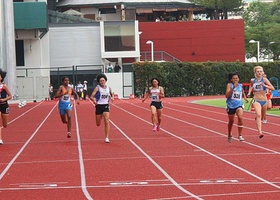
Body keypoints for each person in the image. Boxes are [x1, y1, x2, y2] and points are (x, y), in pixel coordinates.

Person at [247, 66, 274, 138]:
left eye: (260, 71)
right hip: (256, 99)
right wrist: (249, 93)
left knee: (262, 117)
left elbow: (272, 88)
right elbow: (251, 86)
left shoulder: (265, 80)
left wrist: (265, 85)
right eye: (258, 71)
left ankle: (259, 119)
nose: (259, 73)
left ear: (262, 72)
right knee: (258, 115)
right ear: (255, 73)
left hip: (264, 100)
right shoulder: (253, 80)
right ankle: (260, 132)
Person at [90, 74, 114, 143]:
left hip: (106, 105)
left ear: (105, 81)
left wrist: (112, 98)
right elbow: (91, 96)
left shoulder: (108, 88)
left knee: (106, 121)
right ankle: (99, 118)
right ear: (99, 82)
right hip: (99, 106)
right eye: (100, 81)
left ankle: (106, 137)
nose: (102, 82)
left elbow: (111, 94)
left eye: (103, 80)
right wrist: (94, 101)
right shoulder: (97, 88)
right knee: (98, 123)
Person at [225, 72, 248, 143]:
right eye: (234, 78)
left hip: (239, 104)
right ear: (231, 79)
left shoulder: (240, 85)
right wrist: (233, 88)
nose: (236, 79)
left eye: (237, 78)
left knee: (240, 117)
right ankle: (229, 134)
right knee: (231, 121)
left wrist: (245, 97)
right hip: (231, 105)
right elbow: (227, 95)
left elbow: (242, 92)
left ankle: (240, 135)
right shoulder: (229, 85)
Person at [0, 69, 12, 145]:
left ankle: (4, 124)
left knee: (5, 125)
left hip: (4, 105)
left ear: (1, 77)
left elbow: (10, 96)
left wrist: (4, 99)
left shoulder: (4, 86)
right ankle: (0, 139)